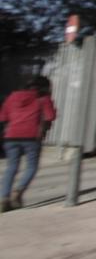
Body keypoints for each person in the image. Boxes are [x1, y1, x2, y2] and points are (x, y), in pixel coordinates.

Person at [1, 75, 56, 212]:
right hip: (31, 137)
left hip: (11, 136)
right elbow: (50, 116)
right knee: (32, 166)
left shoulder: (13, 96)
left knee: (11, 168)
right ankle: (18, 192)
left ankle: (3, 198)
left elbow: (3, 116)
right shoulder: (43, 98)